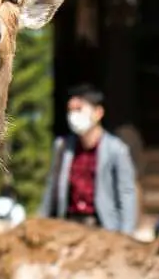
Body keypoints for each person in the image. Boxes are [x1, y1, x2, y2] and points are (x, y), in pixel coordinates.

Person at [40, 84, 138, 234]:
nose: (73, 116)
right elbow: (52, 187)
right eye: (70, 110)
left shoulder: (116, 150)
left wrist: (126, 234)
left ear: (98, 112)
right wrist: (42, 223)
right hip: (69, 225)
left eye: (79, 109)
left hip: (102, 227)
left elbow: (126, 193)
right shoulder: (63, 147)